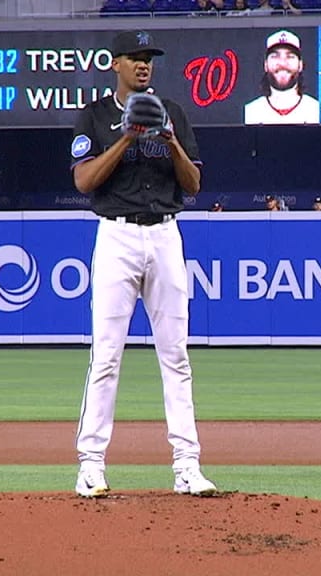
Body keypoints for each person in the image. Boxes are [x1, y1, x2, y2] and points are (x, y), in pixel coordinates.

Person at [70, 29, 217, 499]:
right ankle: (91, 466)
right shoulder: (94, 116)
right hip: (116, 235)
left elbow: (192, 184)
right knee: (106, 355)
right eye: (134, 57)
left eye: (148, 57)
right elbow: (84, 181)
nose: (143, 64)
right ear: (115, 63)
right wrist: (127, 138)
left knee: (176, 355)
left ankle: (187, 466)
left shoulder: (172, 113)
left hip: (165, 234)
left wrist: (169, 140)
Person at [244, 30, 320, 125]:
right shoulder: (250, 112)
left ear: (300, 65)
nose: (282, 63)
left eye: (290, 56)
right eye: (275, 56)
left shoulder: (317, 111)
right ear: (266, 65)